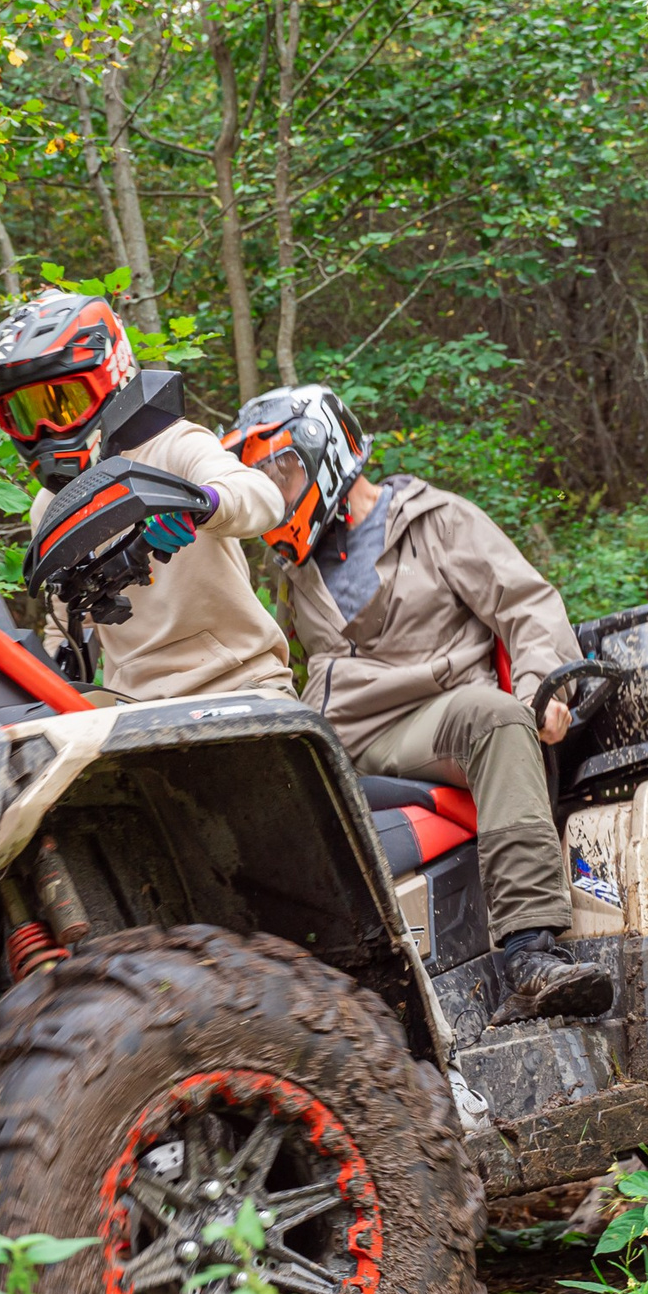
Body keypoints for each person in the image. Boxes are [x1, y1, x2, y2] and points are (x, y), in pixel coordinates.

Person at [225, 384, 612, 1027]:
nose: (272, 490)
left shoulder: (434, 520)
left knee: (495, 717)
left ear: (324, 454)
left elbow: (526, 605)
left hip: (437, 717)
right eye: (259, 477)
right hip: (334, 738)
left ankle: (529, 953)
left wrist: (543, 688)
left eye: (281, 469)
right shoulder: (295, 568)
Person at [0, 288, 293, 701]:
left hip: (237, 683)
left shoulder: (172, 445)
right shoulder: (49, 506)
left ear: (109, 380)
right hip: (130, 708)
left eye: (63, 404)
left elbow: (260, 495)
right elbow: (69, 625)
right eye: (26, 414)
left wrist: (200, 503)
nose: (45, 430)